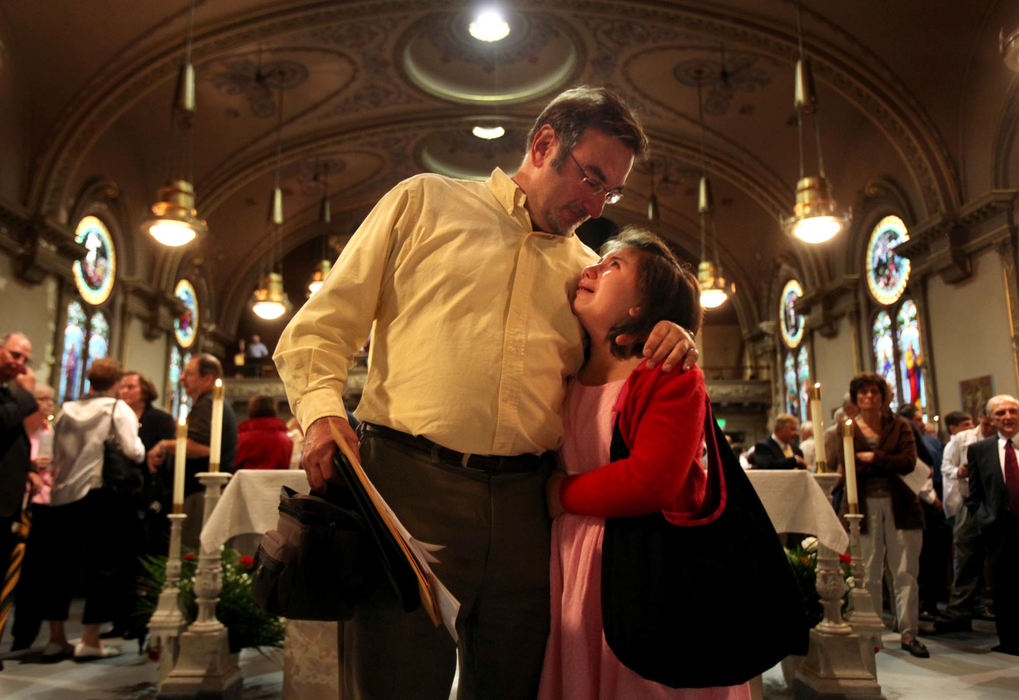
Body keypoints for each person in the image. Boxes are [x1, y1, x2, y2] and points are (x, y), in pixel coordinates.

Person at [273, 85, 698, 699]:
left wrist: (674, 331)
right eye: (589, 178)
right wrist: (319, 415)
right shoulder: (424, 203)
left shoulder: (585, 274)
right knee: (397, 681)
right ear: (545, 142)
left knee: (513, 685)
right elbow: (321, 328)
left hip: (531, 505)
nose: (594, 202)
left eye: (609, 192)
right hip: (409, 486)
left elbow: (621, 363)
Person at [539, 227, 747, 699]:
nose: (591, 268)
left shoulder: (666, 374)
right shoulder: (565, 371)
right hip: (572, 560)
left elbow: (652, 480)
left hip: (642, 562)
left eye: (614, 265)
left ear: (640, 307)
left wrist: (559, 493)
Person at [44, 357, 145, 661]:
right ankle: (90, 639)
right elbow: (133, 450)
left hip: (62, 496)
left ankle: (56, 638)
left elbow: (53, 452)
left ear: (89, 381)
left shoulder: (66, 410)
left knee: (60, 568)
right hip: (100, 496)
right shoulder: (116, 409)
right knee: (103, 566)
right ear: (116, 383)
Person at [836, 373, 928, 658]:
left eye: (874, 392)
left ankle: (909, 632)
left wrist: (874, 458)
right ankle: (872, 633)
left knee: (904, 571)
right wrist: (885, 461)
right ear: (856, 398)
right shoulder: (848, 428)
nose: (869, 397)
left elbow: (908, 462)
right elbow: (850, 465)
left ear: (884, 396)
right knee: (869, 571)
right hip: (862, 507)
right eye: (862, 393)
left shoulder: (900, 425)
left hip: (902, 506)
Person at [148, 354, 237, 549]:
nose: (181, 378)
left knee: (190, 551)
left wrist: (164, 445)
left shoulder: (208, 404)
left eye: (188, 374)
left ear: (208, 378)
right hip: (199, 492)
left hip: (199, 495)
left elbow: (202, 447)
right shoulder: (208, 403)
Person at [964, 394, 1019, 656]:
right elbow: (974, 495)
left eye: (1012, 411)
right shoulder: (979, 450)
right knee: (1003, 586)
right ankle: (1009, 640)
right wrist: (984, 520)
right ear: (990, 419)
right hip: (999, 529)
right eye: (1000, 413)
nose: (1007, 417)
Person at [938, 408, 995, 631]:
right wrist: (959, 472)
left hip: (998, 503)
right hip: (969, 502)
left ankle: (982, 604)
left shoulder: (1005, 438)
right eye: (989, 418)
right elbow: (945, 468)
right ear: (982, 418)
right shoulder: (963, 439)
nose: (992, 424)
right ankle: (959, 610)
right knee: (966, 556)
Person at [10, 383, 55, 652]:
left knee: (33, 574)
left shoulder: (51, 432)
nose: (47, 405)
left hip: (42, 507)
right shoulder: (16, 431)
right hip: (16, 503)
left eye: (50, 400)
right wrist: (29, 466)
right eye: (42, 399)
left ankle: (24, 634)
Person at [0, 333, 40, 595]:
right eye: (15, 355)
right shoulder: (16, 396)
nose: (21, 364)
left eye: (25, 359)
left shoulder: (7, 392)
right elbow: (5, 421)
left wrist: (30, 469)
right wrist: (26, 392)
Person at [120, 370, 177, 554]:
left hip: (150, 489)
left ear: (144, 390)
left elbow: (165, 454)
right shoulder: (116, 416)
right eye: (122, 387)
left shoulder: (160, 419)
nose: (124, 391)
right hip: (120, 488)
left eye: (131, 387)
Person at [235, 395, 292, 470]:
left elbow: (235, 466)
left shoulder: (241, 439)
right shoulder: (286, 440)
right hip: (277, 481)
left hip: (248, 481)